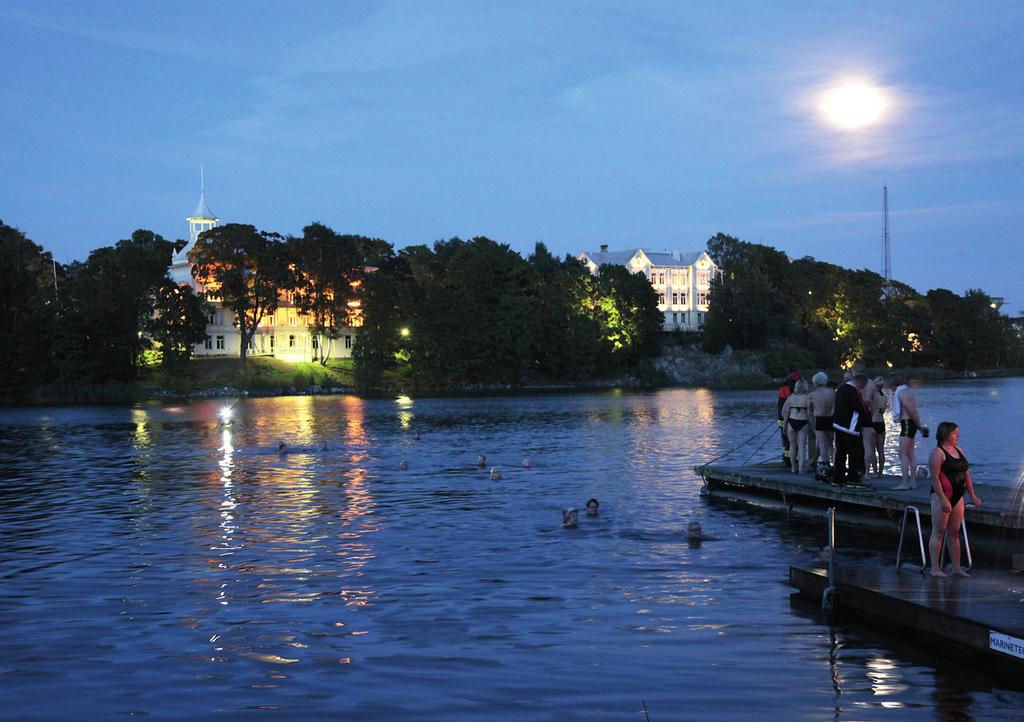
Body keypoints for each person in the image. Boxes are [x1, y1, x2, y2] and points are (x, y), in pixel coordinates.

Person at [927, 422, 981, 577]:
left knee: (954, 533)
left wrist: (973, 495)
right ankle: (935, 569)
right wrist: (943, 499)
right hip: (941, 496)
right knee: (938, 531)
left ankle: (957, 568)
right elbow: (935, 478)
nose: (958, 436)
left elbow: (967, 475)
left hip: (958, 497)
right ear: (946, 434)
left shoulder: (959, 450)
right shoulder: (938, 453)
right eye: (955, 434)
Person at [890, 373, 929, 490]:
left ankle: (905, 483)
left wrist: (919, 426)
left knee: (902, 454)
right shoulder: (907, 392)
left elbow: (911, 410)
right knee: (910, 454)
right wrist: (919, 426)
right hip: (910, 424)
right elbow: (914, 411)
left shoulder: (901, 393)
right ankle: (912, 482)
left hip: (907, 424)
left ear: (894, 383)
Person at [832, 370, 868, 486]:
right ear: (860, 382)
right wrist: (867, 408)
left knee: (840, 452)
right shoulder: (854, 390)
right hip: (851, 427)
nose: (863, 388)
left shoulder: (840, 388)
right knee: (854, 453)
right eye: (863, 386)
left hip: (838, 425)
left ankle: (837, 478)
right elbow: (861, 408)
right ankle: (853, 478)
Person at [781, 379, 811, 473]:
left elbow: (784, 412)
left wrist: (785, 425)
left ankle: (793, 468)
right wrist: (812, 425)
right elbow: (810, 413)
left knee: (792, 446)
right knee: (802, 445)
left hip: (791, 421)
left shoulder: (790, 398)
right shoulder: (807, 398)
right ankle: (801, 468)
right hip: (803, 421)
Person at [808, 371, 835, 472]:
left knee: (822, 445)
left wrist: (812, 424)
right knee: (831, 444)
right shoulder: (833, 392)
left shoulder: (812, 395)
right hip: (831, 419)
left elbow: (809, 411)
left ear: (815, 382)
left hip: (820, 419)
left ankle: (825, 464)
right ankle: (836, 464)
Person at [863, 376, 888, 478]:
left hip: (872, 423)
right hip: (881, 423)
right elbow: (883, 411)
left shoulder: (872, 397)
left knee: (871, 449)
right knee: (881, 450)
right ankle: (880, 473)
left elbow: (867, 406)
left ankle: (872, 472)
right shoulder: (884, 397)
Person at [776, 372, 798, 467]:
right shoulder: (791, 390)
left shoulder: (782, 389)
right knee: (792, 440)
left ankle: (786, 459)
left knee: (785, 440)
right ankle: (790, 460)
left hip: (781, 418)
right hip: (790, 417)